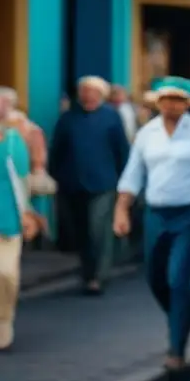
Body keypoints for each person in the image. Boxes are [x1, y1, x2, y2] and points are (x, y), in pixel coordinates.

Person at [113, 77, 190, 370]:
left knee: (178, 278)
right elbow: (132, 174)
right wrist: (121, 210)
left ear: (187, 104)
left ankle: (176, 347)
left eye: (178, 100)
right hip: (156, 213)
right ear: (157, 102)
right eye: (166, 99)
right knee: (155, 278)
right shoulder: (147, 134)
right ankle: (182, 313)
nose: (171, 105)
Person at [49, 76, 130, 295]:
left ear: (101, 94)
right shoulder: (68, 119)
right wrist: (56, 176)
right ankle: (87, 271)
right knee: (82, 231)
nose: (86, 95)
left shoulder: (111, 118)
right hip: (73, 184)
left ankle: (99, 275)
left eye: (91, 91)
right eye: (83, 91)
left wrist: (126, 181)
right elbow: (57, 149)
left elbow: (121, 150)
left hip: (103, 182)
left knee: (98, 229)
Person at [0, 90, 45, 350]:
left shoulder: (14, 141)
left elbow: (22, 181)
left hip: (7, 215)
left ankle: (3, 322)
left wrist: (28, 213)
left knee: (5, 274)